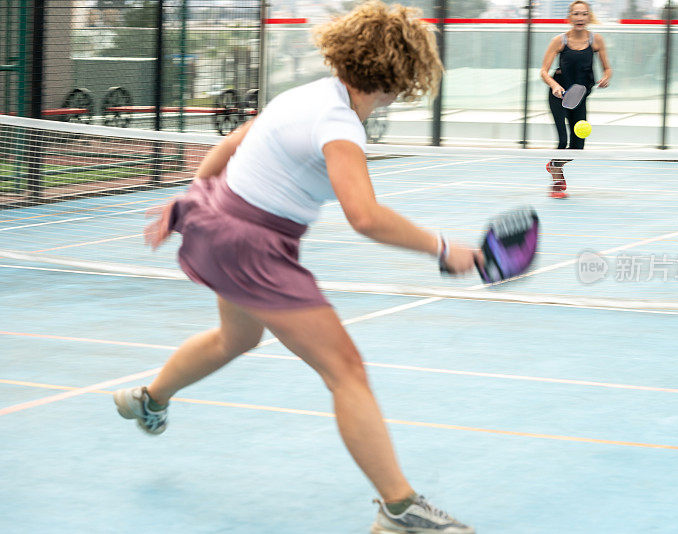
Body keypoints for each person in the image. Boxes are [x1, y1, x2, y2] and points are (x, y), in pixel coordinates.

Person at [112, 2, 479, 533]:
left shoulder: (307, 94)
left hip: (218, 222)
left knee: (235, 338)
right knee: (346, 371)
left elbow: (231, 145)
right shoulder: (340, 125)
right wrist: (443, 248)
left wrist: (193, 201)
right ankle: (401, 510)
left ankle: (150, 399)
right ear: (399, 74)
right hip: (253, 246)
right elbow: (365, 216)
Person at [540, 0, 612, 198]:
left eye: (584, 14)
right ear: (570, 17)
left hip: (580, 96)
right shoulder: (559, 41)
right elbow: (544, 72)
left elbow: (607, 68)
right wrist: (554, 86)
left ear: (589, 17)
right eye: (576, 14)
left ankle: (555, 165)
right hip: (559, 95)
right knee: (563, 141)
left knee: (578, 145)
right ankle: (556, 183)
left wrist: (606, 76)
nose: (580, 18)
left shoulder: (596, 41)